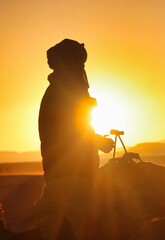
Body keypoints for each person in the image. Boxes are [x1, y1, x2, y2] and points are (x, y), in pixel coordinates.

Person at [33, 39, 114, 240]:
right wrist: (99, 142)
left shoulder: (61, 92)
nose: (81, 69)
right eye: (77, 64)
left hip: (64, 178)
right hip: (71, 180)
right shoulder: (63, 94)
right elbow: (72, 135)